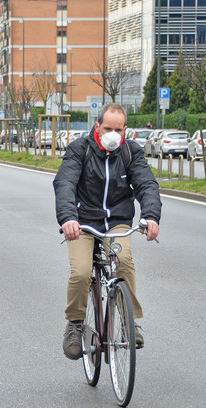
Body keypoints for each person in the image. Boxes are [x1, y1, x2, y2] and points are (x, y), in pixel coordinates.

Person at [53, 103, 161, 360]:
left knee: (123, 261)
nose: (113, 133)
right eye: (107, 128)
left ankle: (129, 322)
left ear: (125, 129)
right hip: (83, 223)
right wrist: (69, 218)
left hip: (118, 221)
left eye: (118, 129)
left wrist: (150, 216)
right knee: (80, 272)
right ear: (97, 126)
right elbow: (65, 182)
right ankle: (75, 324)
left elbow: (146, 183)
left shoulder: (130, 152)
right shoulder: (80, 149)